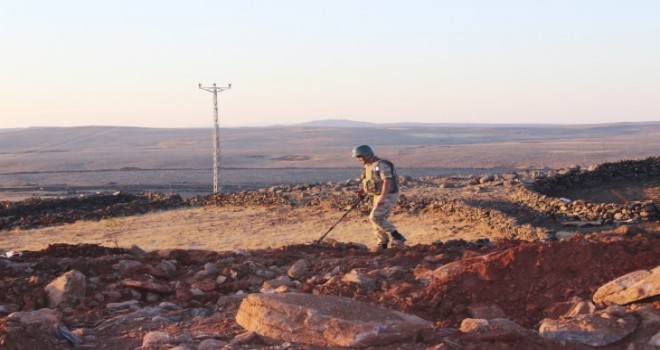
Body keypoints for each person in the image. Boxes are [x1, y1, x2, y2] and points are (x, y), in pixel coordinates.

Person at [352, 144, 407, 251]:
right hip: (375, 195)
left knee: (375, 217)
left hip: (388, 195)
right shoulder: (368, 166)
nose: (359, 159)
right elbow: (370, 180)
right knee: (375, 221)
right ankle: (382, 244)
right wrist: (363, 191)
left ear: (367, 155)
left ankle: (397, 236)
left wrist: (382, 197)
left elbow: (387, 180)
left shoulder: (381, 165)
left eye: (360, 157)